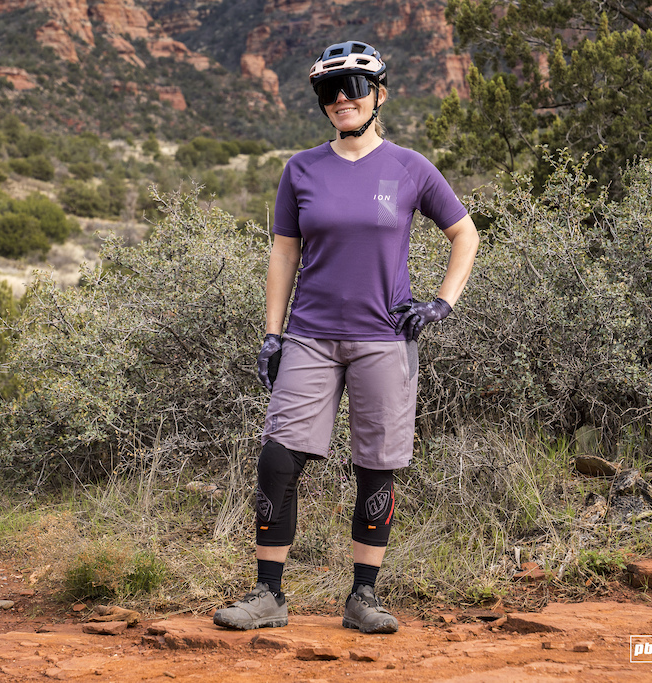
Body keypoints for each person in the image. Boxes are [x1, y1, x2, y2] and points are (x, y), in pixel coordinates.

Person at [213, 40, 479, 634]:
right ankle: (269, 595)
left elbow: (465, 235)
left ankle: (362, 597)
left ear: (378, 95)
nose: (340, 99)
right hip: (308, 334)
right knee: (278, 459)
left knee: (375, 465)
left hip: (384, 337)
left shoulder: (410, 167)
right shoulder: (301, 169)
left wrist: (441, 303)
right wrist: (272, 335)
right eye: (328, 91)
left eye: (354, 88)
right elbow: (284, 254)